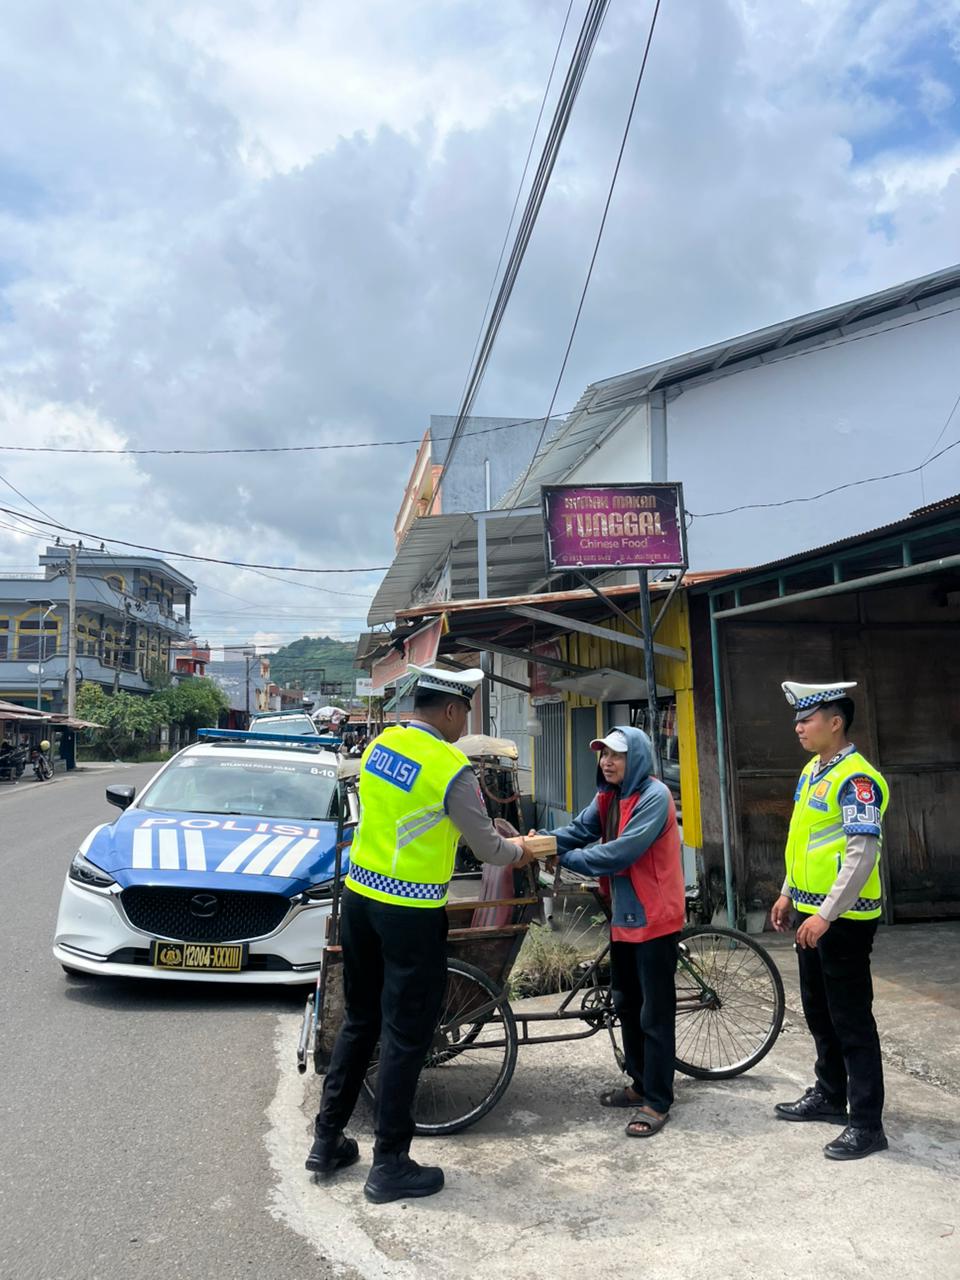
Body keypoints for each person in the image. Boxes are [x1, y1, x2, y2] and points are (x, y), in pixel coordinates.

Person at [305, 663, 541, 1203]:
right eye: (466, 712)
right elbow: (487, 847)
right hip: (409, 914)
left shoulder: (382, 745)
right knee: (407, 1035)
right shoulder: (450, 767)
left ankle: (327, 1139)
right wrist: (522, 849)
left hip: (361, 899)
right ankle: (389, 1163)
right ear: (454, 709)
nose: (464, 723)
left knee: (361, 1022)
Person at [538, 726, 685, 1139]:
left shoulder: (654, 797)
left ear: (635, 757)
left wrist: (565, 856)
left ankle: (657, 1100)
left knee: (654, 1014)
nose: (606, 761)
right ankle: (640, 1084)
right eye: (602, 754)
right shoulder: (609, 796)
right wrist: (542, 843)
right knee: (626, 1003)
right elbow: (579, 830)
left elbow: (621, 852)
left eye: (616, 755)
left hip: (655, 916)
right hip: (624, 916)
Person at [770, 680, 890, 1161]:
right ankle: (828, 1095)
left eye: (807, 718)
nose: (798, 726)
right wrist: (786, 893)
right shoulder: (812, 771)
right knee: (819, 1011)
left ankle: (866, 1123)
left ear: (835, 722)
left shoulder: (857, 780)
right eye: (798, 718)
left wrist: (824, 914)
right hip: (809, 911)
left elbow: (861, 856)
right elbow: (803, 840)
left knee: (851, 1019)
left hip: (842, 919)